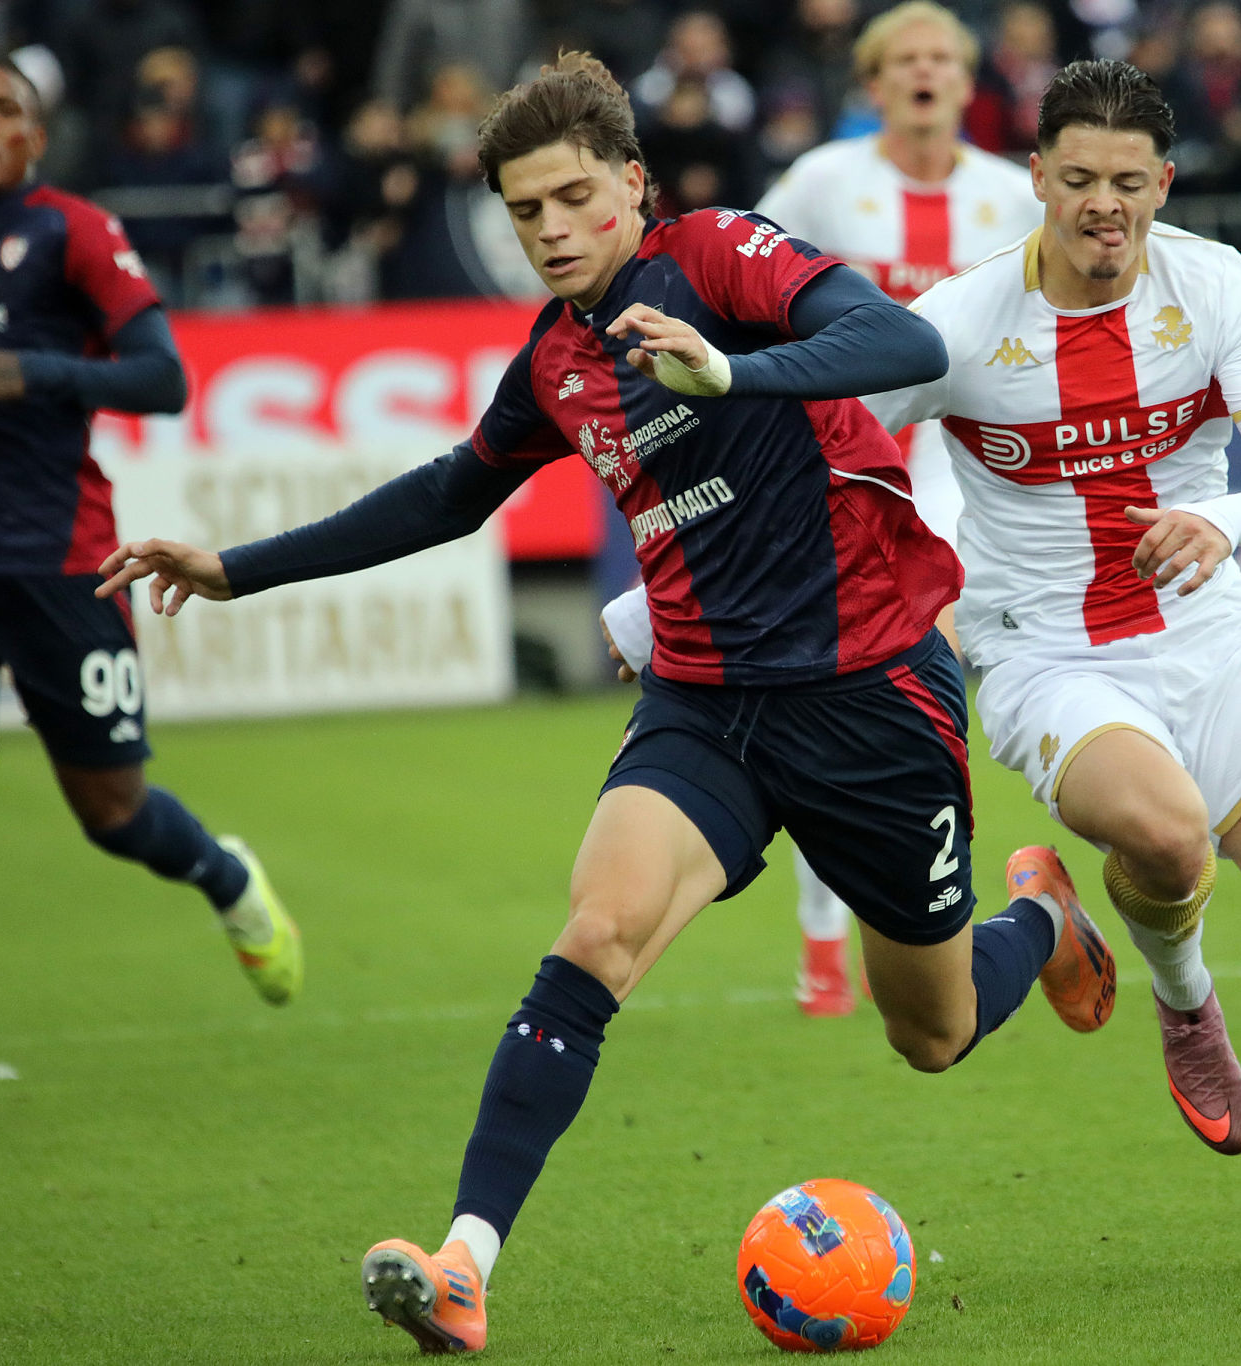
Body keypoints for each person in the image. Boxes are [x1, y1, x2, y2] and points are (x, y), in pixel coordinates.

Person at [96, 54, 1117, 1354]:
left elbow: (903, 341)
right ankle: (464, 1260)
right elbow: (452, 492)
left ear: (631, 184)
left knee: (932, 1029)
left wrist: (732, 373)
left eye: (576, 197)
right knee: (596, 933)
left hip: (870, 692)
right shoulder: (559, 360)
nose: (555, 232)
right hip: (705, 705)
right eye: (526, 214)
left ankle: (1041, 915)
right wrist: (235, 568)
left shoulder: (715, 260)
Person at [608, 58, 1241, 1270]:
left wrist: (1226, 520)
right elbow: (809, 460)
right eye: (1079, 179)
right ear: (1036, 177)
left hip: (1207, 627)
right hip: (1045, 648)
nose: (1105, 204)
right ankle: (1187, 1004)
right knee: (1165, 832)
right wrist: (644, 613)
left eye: (1129, 183)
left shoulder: (1213, 286)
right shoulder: (958, 322)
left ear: (1164, 183)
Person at [0, 57, 299, 1136]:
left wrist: (35, 372)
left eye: (2, 111)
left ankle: (223, 873)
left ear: (34, 138)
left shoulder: (74, 232)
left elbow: (162, 377)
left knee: (110, 813)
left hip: (61, 567)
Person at [751, 0, 1041, 1017]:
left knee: (910, 693)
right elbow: (745, 275)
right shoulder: (825, 184)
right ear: (873, 85)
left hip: (969, 469)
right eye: (903, 60)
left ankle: (958, 907)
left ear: (967, 83)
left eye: (941, 58)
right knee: (836, 694)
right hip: (845, 468)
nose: (924, 73)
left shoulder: (1014, 198)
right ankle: (828, 941)